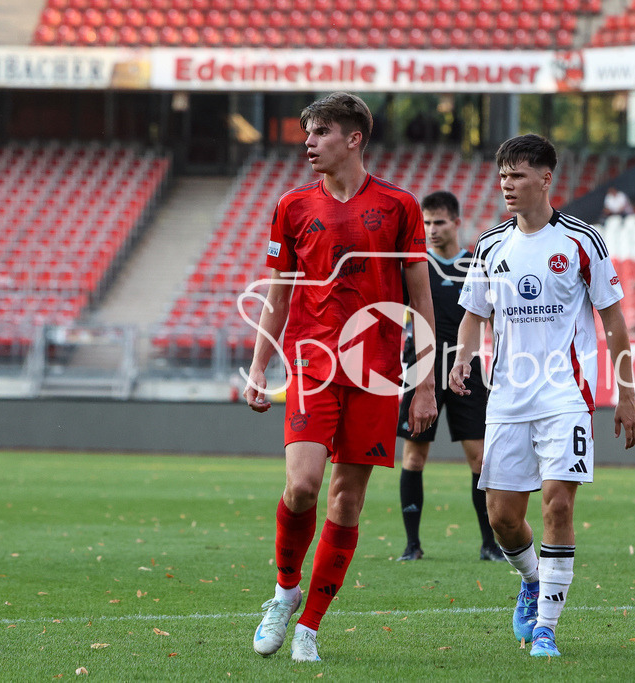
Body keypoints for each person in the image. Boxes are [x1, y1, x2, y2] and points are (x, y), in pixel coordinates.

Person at [242, 92, 438, 663]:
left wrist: (423, 381)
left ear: (354, 139)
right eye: (307, 132)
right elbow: (279, 293)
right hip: (312, 365)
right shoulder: (292, 206)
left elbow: (419, 296)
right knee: (302, 486)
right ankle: (284, 590)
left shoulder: (400, 206)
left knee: (346, 501)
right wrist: (259, 367)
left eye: (321, 131)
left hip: (377, 374)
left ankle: (310, 626)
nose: (308, 142)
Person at [449, 134, 635, 659]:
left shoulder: (583, 241)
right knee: (502, 517)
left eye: (518, 175)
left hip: (566, 395)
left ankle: (547, 629)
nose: (508, 185)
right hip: (508, 398)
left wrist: (626, 395)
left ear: (546, 178)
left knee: (558, 503)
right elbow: (473, 315)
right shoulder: (490, 246)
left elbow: (614, 321)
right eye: (503, 176)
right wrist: (462, 359)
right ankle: (532, 581)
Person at [395, 191, 502, 563]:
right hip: (420, 367)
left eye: (439, 222)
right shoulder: (415, 264)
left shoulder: (476, 265)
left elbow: (492, 318)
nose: (432, 229)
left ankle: (489, 544)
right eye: (426, 223)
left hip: (466, 367)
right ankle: (412, 544)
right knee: (415, 455)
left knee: (479, 458)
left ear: (457, 223)